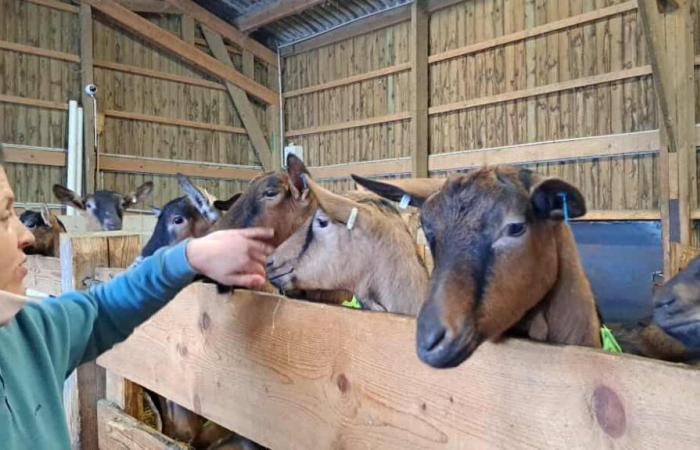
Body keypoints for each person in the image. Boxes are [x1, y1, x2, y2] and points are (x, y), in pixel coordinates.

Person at [0, 159, 274, 448]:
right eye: (4, 216)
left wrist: (188, 257)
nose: (27, 236)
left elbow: (102, 309)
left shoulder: (29, 333)